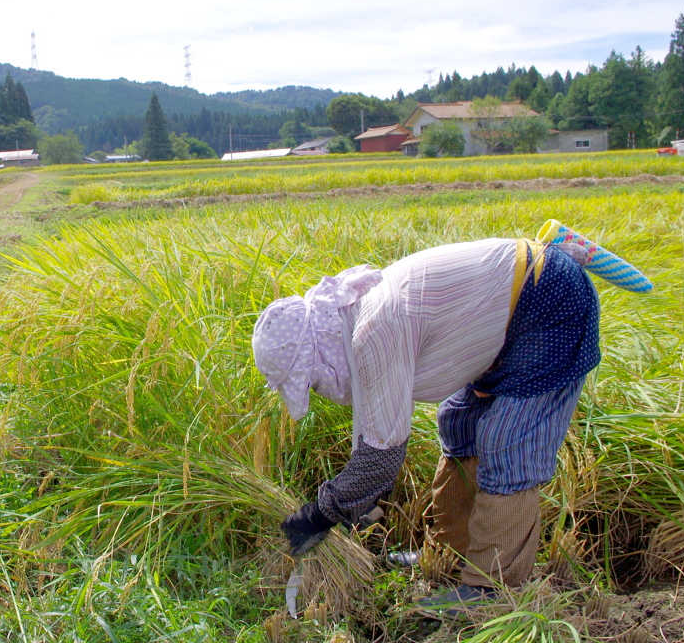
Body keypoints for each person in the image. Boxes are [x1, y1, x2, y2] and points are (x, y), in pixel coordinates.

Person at [251, 236, 600, 614]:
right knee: (459, 421)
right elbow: (373, 435)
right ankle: (449, 554)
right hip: (507, 320)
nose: (319, 388)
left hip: (548, 304)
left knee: (505, 440)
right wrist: (353, 506)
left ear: (318, 353)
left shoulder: (374, 330)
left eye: (312, 380)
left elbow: (381, 456)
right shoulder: (348, 321)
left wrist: (320, 514)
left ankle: (493, 588)